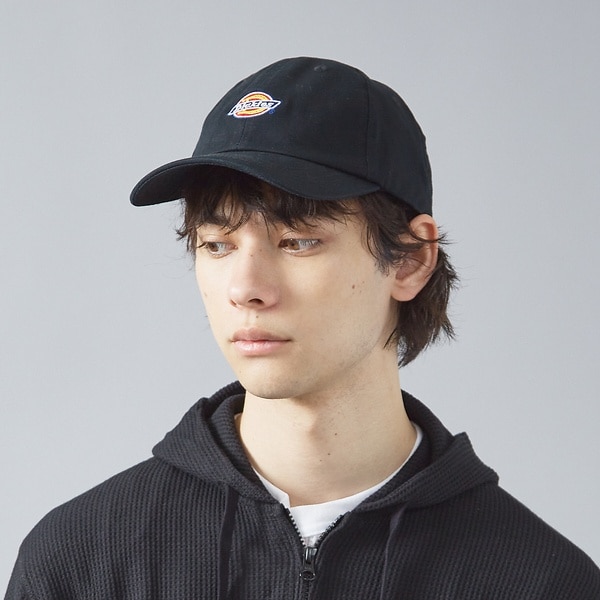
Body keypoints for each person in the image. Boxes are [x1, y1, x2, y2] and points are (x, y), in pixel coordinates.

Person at [5, 57, 599, 599]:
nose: (246, 287)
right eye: (216, 245)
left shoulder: (542, 582)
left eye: (298, 241)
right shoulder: (79, 561)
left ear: (411, 260)